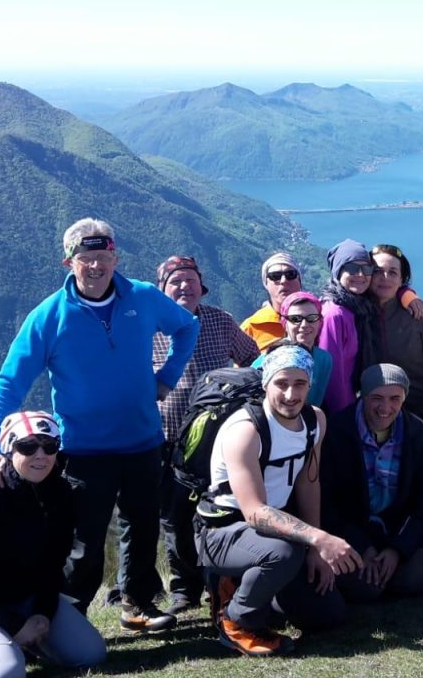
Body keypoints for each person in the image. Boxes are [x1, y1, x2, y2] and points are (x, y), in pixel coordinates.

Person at [0, 218, 198, 630]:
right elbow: (8, 382)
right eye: (85, 258)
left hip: (143, 441)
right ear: (68, 262)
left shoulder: (145, 298)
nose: (96, 267)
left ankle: (138, 605)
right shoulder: (49, 317)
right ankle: (67, 619)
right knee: (84, 541)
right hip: (83, 450)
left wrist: (167, 376)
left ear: (115, 257)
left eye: (103, 257)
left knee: (144, 526)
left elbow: (187, 328)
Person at [196, 346, 358, 657]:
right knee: (284, 553)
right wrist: (318, 538)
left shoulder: (315, 422)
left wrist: (314, 549)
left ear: (310, 385)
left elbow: (309, 482)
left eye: (299, 384)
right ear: (266, 384)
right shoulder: (245, 430)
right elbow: (255, 512)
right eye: (281, 383)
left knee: (328, 614)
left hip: (269, 532)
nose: (290, 394)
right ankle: (235, 623)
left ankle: (246, 589)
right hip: (221, 530)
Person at [0, 411, 106, 678]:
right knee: (5, 673)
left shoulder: (60, 494)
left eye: (49, 446)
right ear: (8, 449)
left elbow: (54, 565)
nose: (40, 455)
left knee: (90, 654)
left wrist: (42, 614)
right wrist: (14, 625)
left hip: (25, 598)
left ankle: (17, 643)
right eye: (27, 446)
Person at [153, 255, 259, 614]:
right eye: (175, 282)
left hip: (217, 440)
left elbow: (251, 359)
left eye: (190, 280)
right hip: (167, 440)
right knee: (175, 517)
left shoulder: (220, 320)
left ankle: (223, 581)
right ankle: (185, 589)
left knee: (220, 512)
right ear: (162, 290)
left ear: (202, 285)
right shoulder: (149, 326)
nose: (184, 287)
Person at [320, 364, 423, 602]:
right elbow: (326, 499)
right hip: (351, 531)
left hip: (394, 530)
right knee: (365, 588)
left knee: (414, 579)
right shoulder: (336, 432)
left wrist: (397, 549)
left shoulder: (418, 432)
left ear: (404, 397)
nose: (385, 408)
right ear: (363, 396)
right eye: (376, 398)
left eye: (395, 398)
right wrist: (361, 546)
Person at [370, 244, 423, 420]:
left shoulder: (417, 312)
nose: (385, 278)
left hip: (420, 411)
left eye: (393, 272)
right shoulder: (357, 313)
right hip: (375, 415)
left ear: (401, 280)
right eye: (377, 271)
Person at [320, 239, 379, 413]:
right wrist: (346, 418)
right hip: (339, 410)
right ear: (338, 271)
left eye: (366, 269)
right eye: (352, 268)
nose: (360, 275)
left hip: (354, 403)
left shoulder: (361, 308)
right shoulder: (334, 314)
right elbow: (332, 375)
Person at [251, 291, 333, 408]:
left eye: (312, 318)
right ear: (284, 323)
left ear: (320, 322)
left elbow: (316, 402)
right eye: (295, 319)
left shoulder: (324, 359)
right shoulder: (266, 361)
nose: (304, 324)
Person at [241, 252, 302, 351]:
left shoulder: (316, 320)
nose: (283, 281)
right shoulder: (251, 327)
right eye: (275, 276)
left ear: (299, 281)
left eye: (290, 274)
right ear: (266, 284)